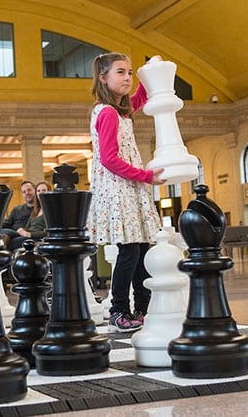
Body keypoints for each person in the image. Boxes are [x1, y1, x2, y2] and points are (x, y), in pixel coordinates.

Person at [87, 52, 165, 333]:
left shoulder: (119, 110)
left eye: (130, 72)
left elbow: (140, 99)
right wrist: (145, 176)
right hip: (119, 188)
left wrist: (148, 71)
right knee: (130, 251)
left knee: (142, 248)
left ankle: (143, 307)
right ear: (103, 77)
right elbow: (109, 158)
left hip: (129, 188)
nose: (128, 78)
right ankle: (119, 309)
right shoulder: (107, 113)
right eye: (121, 72)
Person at [8, 181, 50, 251]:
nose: (41, 193)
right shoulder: (36, 210)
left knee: (12, 243)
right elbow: (27, 227)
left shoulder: (51, 209)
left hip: (37, 238)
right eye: (38, 191)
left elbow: (50, 233)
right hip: (27, 236)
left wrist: (30, 234)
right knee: (7, 235)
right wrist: (22, 231)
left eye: (44, 190)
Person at [0, 181, 37, 247]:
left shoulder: (40, 209)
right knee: (3, 231)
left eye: (29, 190)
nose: (27, 193)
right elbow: (7, 223)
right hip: (12, 232)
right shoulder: (17, 209)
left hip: (26, 234)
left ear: (35, 191)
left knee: (12, 237)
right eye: (24, 192)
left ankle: (1, 251)